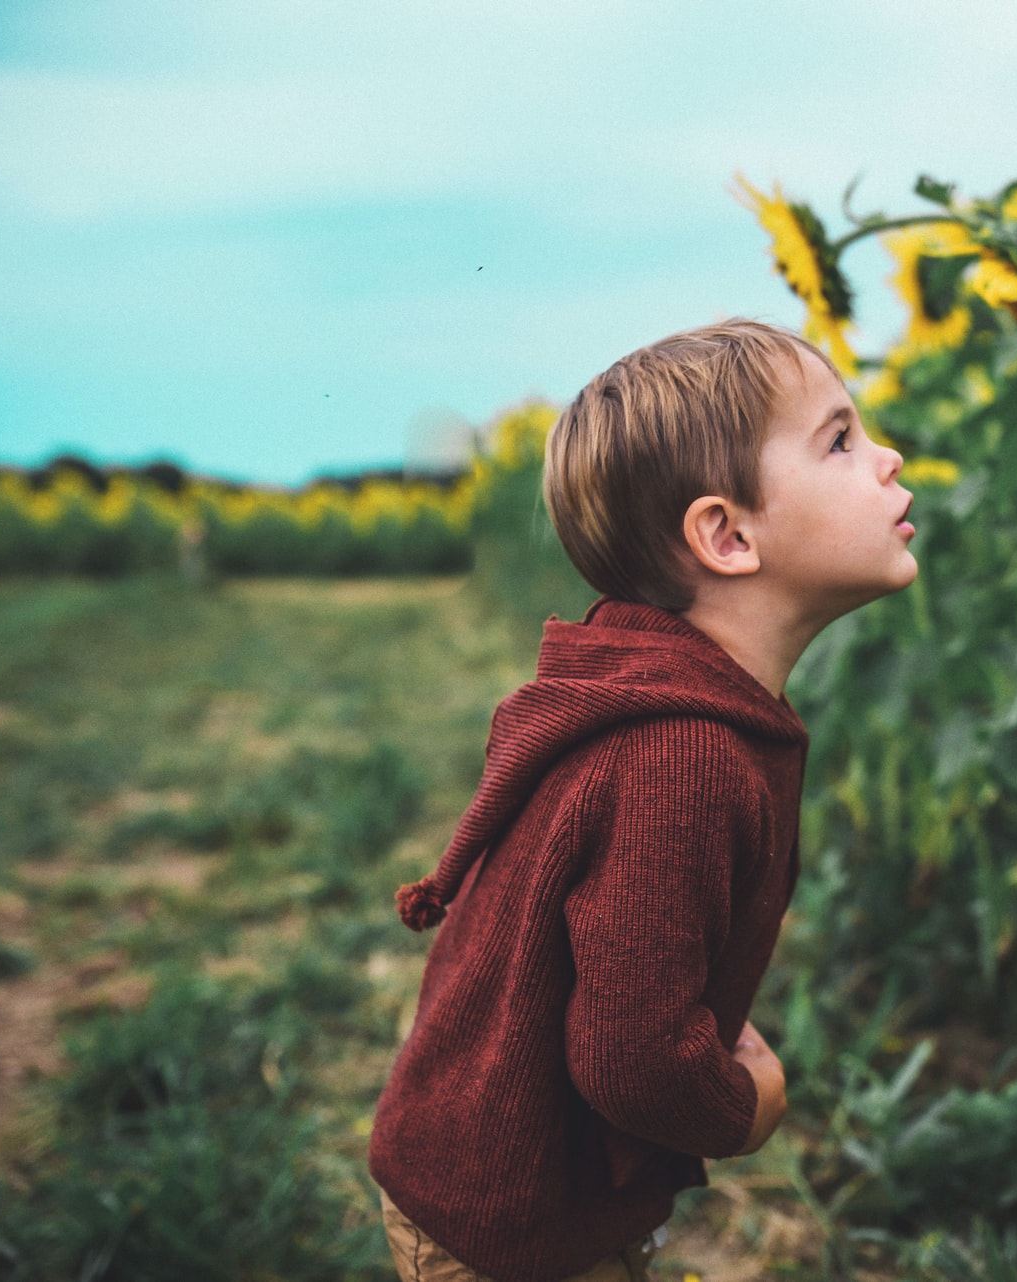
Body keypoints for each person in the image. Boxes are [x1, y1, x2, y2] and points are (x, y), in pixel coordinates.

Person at [367, 319, 919, 1282]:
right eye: (840, 439)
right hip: (514, 1226)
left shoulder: (676, 705)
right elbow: (630, 1055)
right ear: (728, 535)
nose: (887, 458)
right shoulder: (684, 757)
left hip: (498, 1177)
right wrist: (744, 1105)